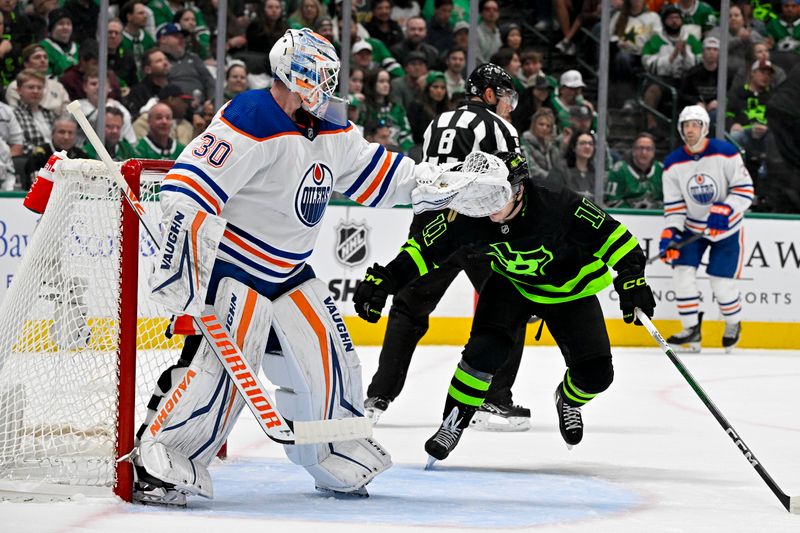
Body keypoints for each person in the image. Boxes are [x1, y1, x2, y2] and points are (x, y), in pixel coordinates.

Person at [130, 28, 471, 506]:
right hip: (236, 268)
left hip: (291, 272)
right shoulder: (253, 116)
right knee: (218, 373)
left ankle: (333, 451)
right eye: (321, 73)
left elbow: (381, 174)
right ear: (295, 72)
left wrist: (441, 183)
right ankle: (162, 459)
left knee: (333, 360)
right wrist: (177, 259)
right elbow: (189, 186)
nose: (328, 83)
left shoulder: (330, 127)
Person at [353, 150, 656, 463]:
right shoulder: (472, 211)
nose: (487, 207)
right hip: (512, 286)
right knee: (482, 355)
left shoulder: (560, 206)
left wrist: (633, 280)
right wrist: (386, 279)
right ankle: (453, 421)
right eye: (479, 194)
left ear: (519, 189)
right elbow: (423, 249)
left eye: (495, 195)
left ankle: (568, 399)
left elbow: (619, 241)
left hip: (571, 291)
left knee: (597, 375)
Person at [363, 63, 533, 432]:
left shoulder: (437, 122)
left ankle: (378, 396)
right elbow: (517, 181)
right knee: (510, 305)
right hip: (477, 225)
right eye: (505, 97)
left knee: (408, 309)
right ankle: (493, 398)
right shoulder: (500, 127)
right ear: (489, 95)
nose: (509, 106)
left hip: (431, 223)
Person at [660, 105, 754, 353]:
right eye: (686, 126)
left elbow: (745, 190)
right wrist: (670, 234)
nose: (690, 130)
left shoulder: (726, 153)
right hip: (693, 230)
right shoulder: (672, 164)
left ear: (705, 128)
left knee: (721, 283)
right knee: (681, 274)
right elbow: (675, 206)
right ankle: (692, 328)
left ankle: (733, 323)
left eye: (695, 125)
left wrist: (727, 208)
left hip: (727, 230)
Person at [605, 132, 663, 208]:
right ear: (633, 151)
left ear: (653, 152)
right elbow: (612, 202)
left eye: (648, 149)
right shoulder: (619, 171)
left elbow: (670, 202)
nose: (644, 152)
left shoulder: (662, 170)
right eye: (640, 148)